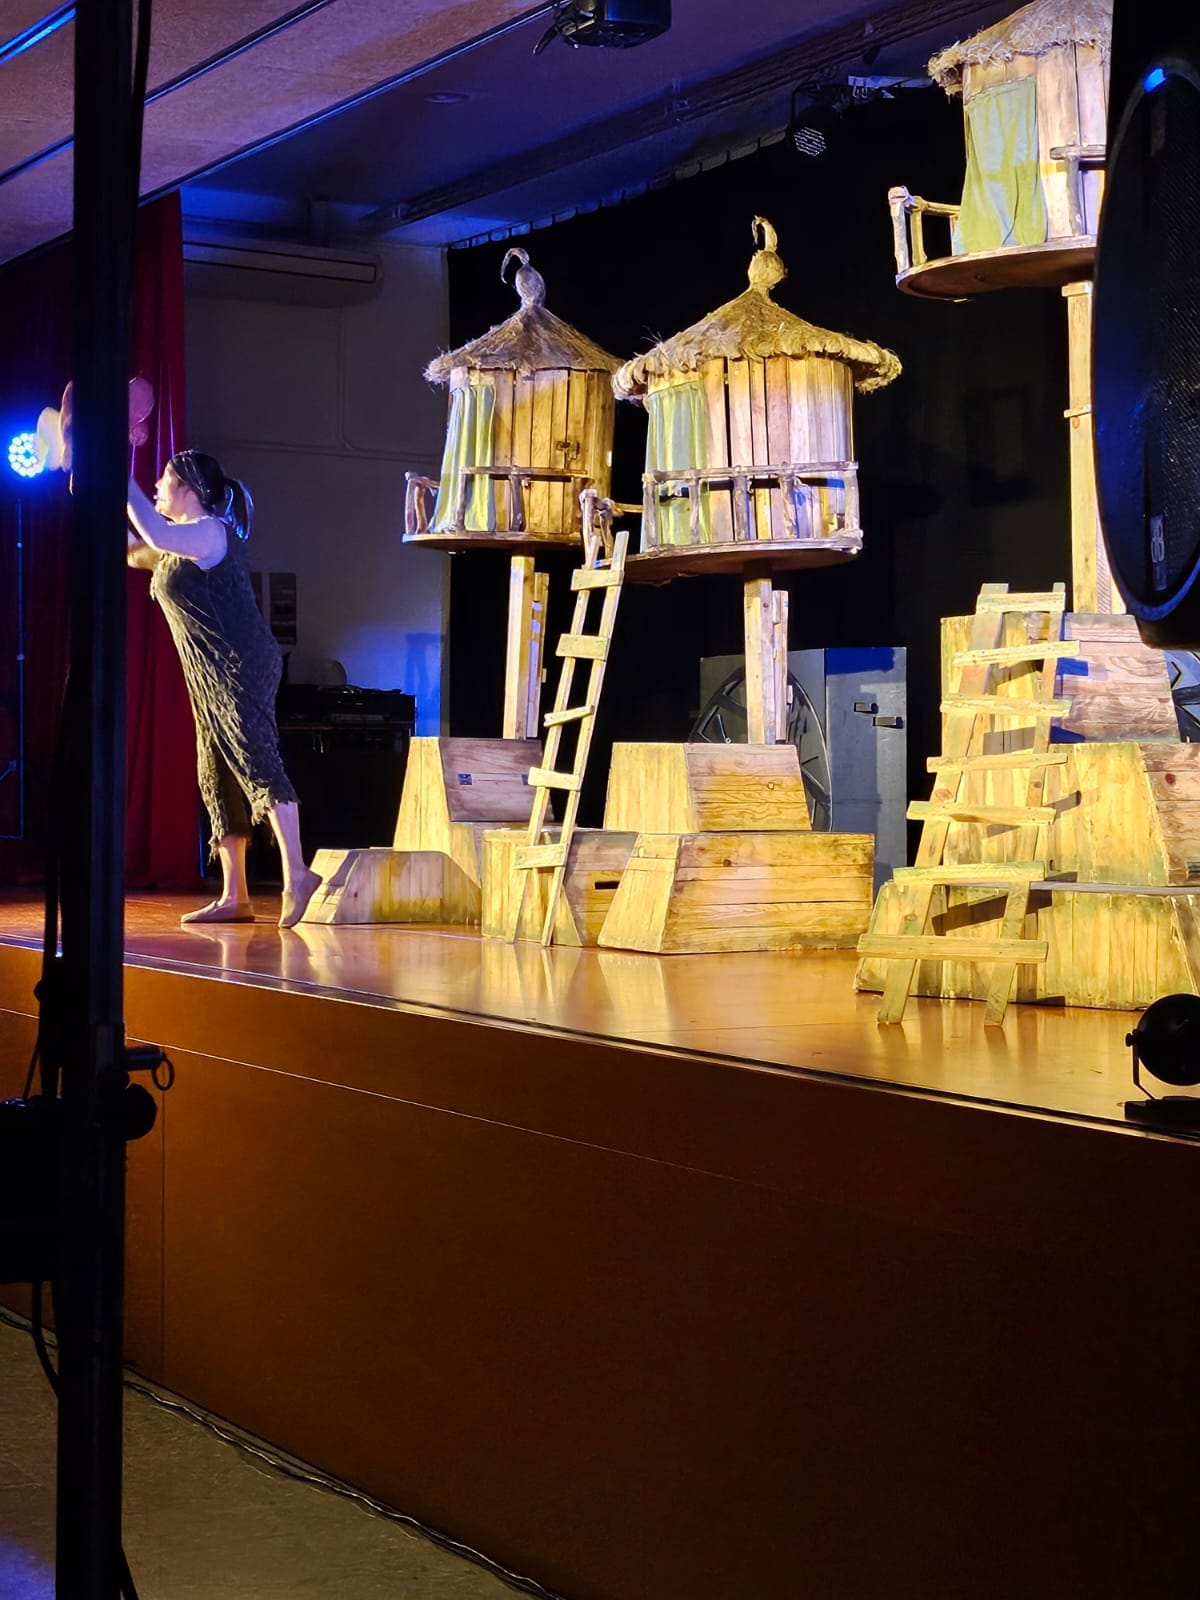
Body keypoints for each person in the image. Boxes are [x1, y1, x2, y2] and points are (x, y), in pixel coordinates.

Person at [126, 450, 320, 928]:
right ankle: (236, 896)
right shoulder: (178, 547)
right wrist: (87, 481)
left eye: (164, 479)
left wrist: (116, 472)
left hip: (241, 663)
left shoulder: (210, 531)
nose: (156, 486)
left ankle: (298, 874)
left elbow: (154, 534)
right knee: (214, 770)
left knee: (256, 758)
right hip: (207, 673)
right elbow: (133, 549)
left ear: (189, 488)